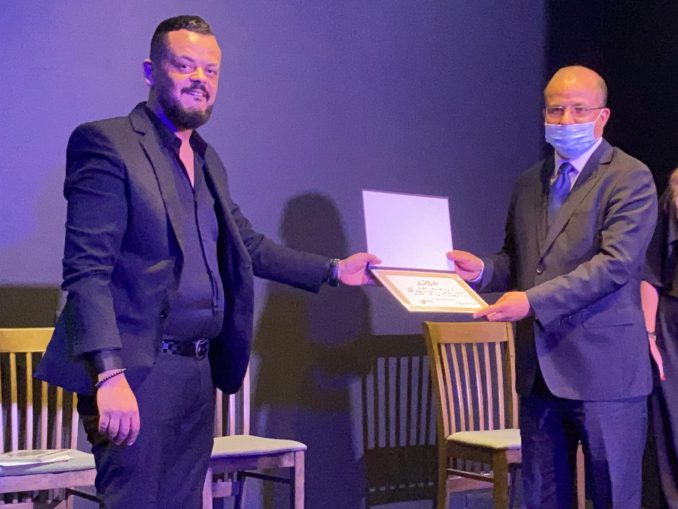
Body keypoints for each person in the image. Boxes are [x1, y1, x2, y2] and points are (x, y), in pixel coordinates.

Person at [34, 15, 379, 509]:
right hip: (136, 373)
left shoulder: (207, 159)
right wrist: (109, 376)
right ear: (151, 71)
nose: (200, 79)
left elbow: (248, 246)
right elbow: (87, 272)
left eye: (211, 70)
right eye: (185, 65)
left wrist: (335, 270)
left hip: (197, 374)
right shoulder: (107, 144)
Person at [449, 65, 657, 508]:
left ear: (603, 116)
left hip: (606, 375)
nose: (565, 120)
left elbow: (615, 265)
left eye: (579, 110)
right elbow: (519, 259)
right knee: (540, 500)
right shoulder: (529, 182)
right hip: (539, 375)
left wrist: (530, 301)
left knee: (614, 497)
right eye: (555, 110)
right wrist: (482, 271)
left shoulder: (630, 177)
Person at [641, 169, 678, 508]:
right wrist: (649, 334)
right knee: (672, 429)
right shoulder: (675, 195)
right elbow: (651, 271)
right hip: (672, 328)